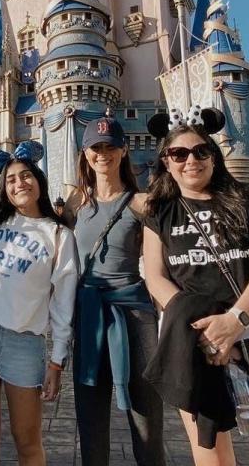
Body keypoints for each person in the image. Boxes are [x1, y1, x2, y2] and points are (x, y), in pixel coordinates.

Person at [142, 107, 249, 466]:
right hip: (191, 342)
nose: (191, 160)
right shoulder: (159, 211)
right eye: (179, 153)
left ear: (214, 157)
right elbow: (155, 276)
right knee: (212, 460)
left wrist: (235, 320)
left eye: (201, 151)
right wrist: (203, 330)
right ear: (166, 162)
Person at [0, 142, 78, 466]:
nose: (19, 183)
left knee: (27, 440)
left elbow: (64, 304)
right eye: (11, 179)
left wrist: (57, 361)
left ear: (39, 180)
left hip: (24, 341)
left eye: (26, 176)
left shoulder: (58, 235)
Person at [67, 115, 165, 466]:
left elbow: (163, 260)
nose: (103, 154)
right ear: (85, 153)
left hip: (135, 314)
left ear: (124, 151)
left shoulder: (141, 203)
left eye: (110, 147)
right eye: (96, 147)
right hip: (89, 314)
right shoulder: (74, 205)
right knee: (90, 416)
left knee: (146, 416)